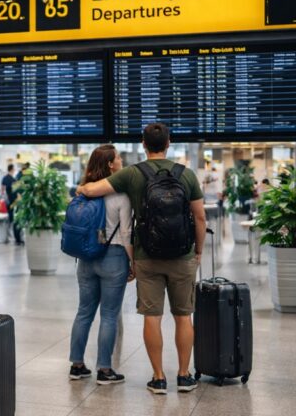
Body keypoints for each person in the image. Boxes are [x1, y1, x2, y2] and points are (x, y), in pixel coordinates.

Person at [76, 123, 207, 395]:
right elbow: (200, 217)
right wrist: (198, 251)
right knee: (184, 316)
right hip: (182, 255)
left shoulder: (132, 174)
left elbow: (92, 190)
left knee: (153, 316)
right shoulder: (187, 175)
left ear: (143, 144)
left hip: (147, 256)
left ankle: (158, 378)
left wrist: (82, 189)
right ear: (169, 143)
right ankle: (184, 376)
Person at [69, 145, 133, 385]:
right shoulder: (121, 195)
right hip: (114, 257)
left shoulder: (83, 193)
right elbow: (126, 233)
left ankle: (77, 365)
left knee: (84, 312)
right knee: (109, 315)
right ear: (110, 165)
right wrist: (133, 261)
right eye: (118, 157)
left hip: (86, 258)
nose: (121, 160)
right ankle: (104, 369)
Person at [0, 164, 23, 245]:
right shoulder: (13, 179)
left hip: (8, 202)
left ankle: (8, 236)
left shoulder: (5, 178)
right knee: (13, 220)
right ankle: (13, 236)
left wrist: (3, 198)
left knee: (9, 220)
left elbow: (2, 190)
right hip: (14, 202)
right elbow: (17, 192)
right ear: (12, 169)